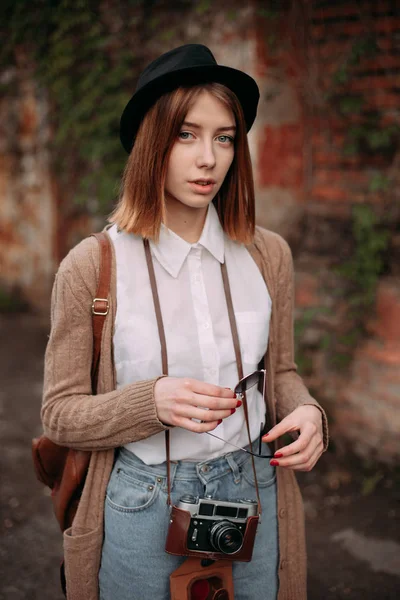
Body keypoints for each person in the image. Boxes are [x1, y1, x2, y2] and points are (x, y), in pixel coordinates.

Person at [41, 44, 328, 600]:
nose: (209, 159)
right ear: (153, 142)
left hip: (254, 487)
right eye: (186, 135)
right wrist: (151, 404)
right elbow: (60, 414)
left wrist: (309, 412)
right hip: (144, 503)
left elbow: (282, 372)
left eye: (224, 137)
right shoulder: (94, 265)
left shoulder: (268, 256)